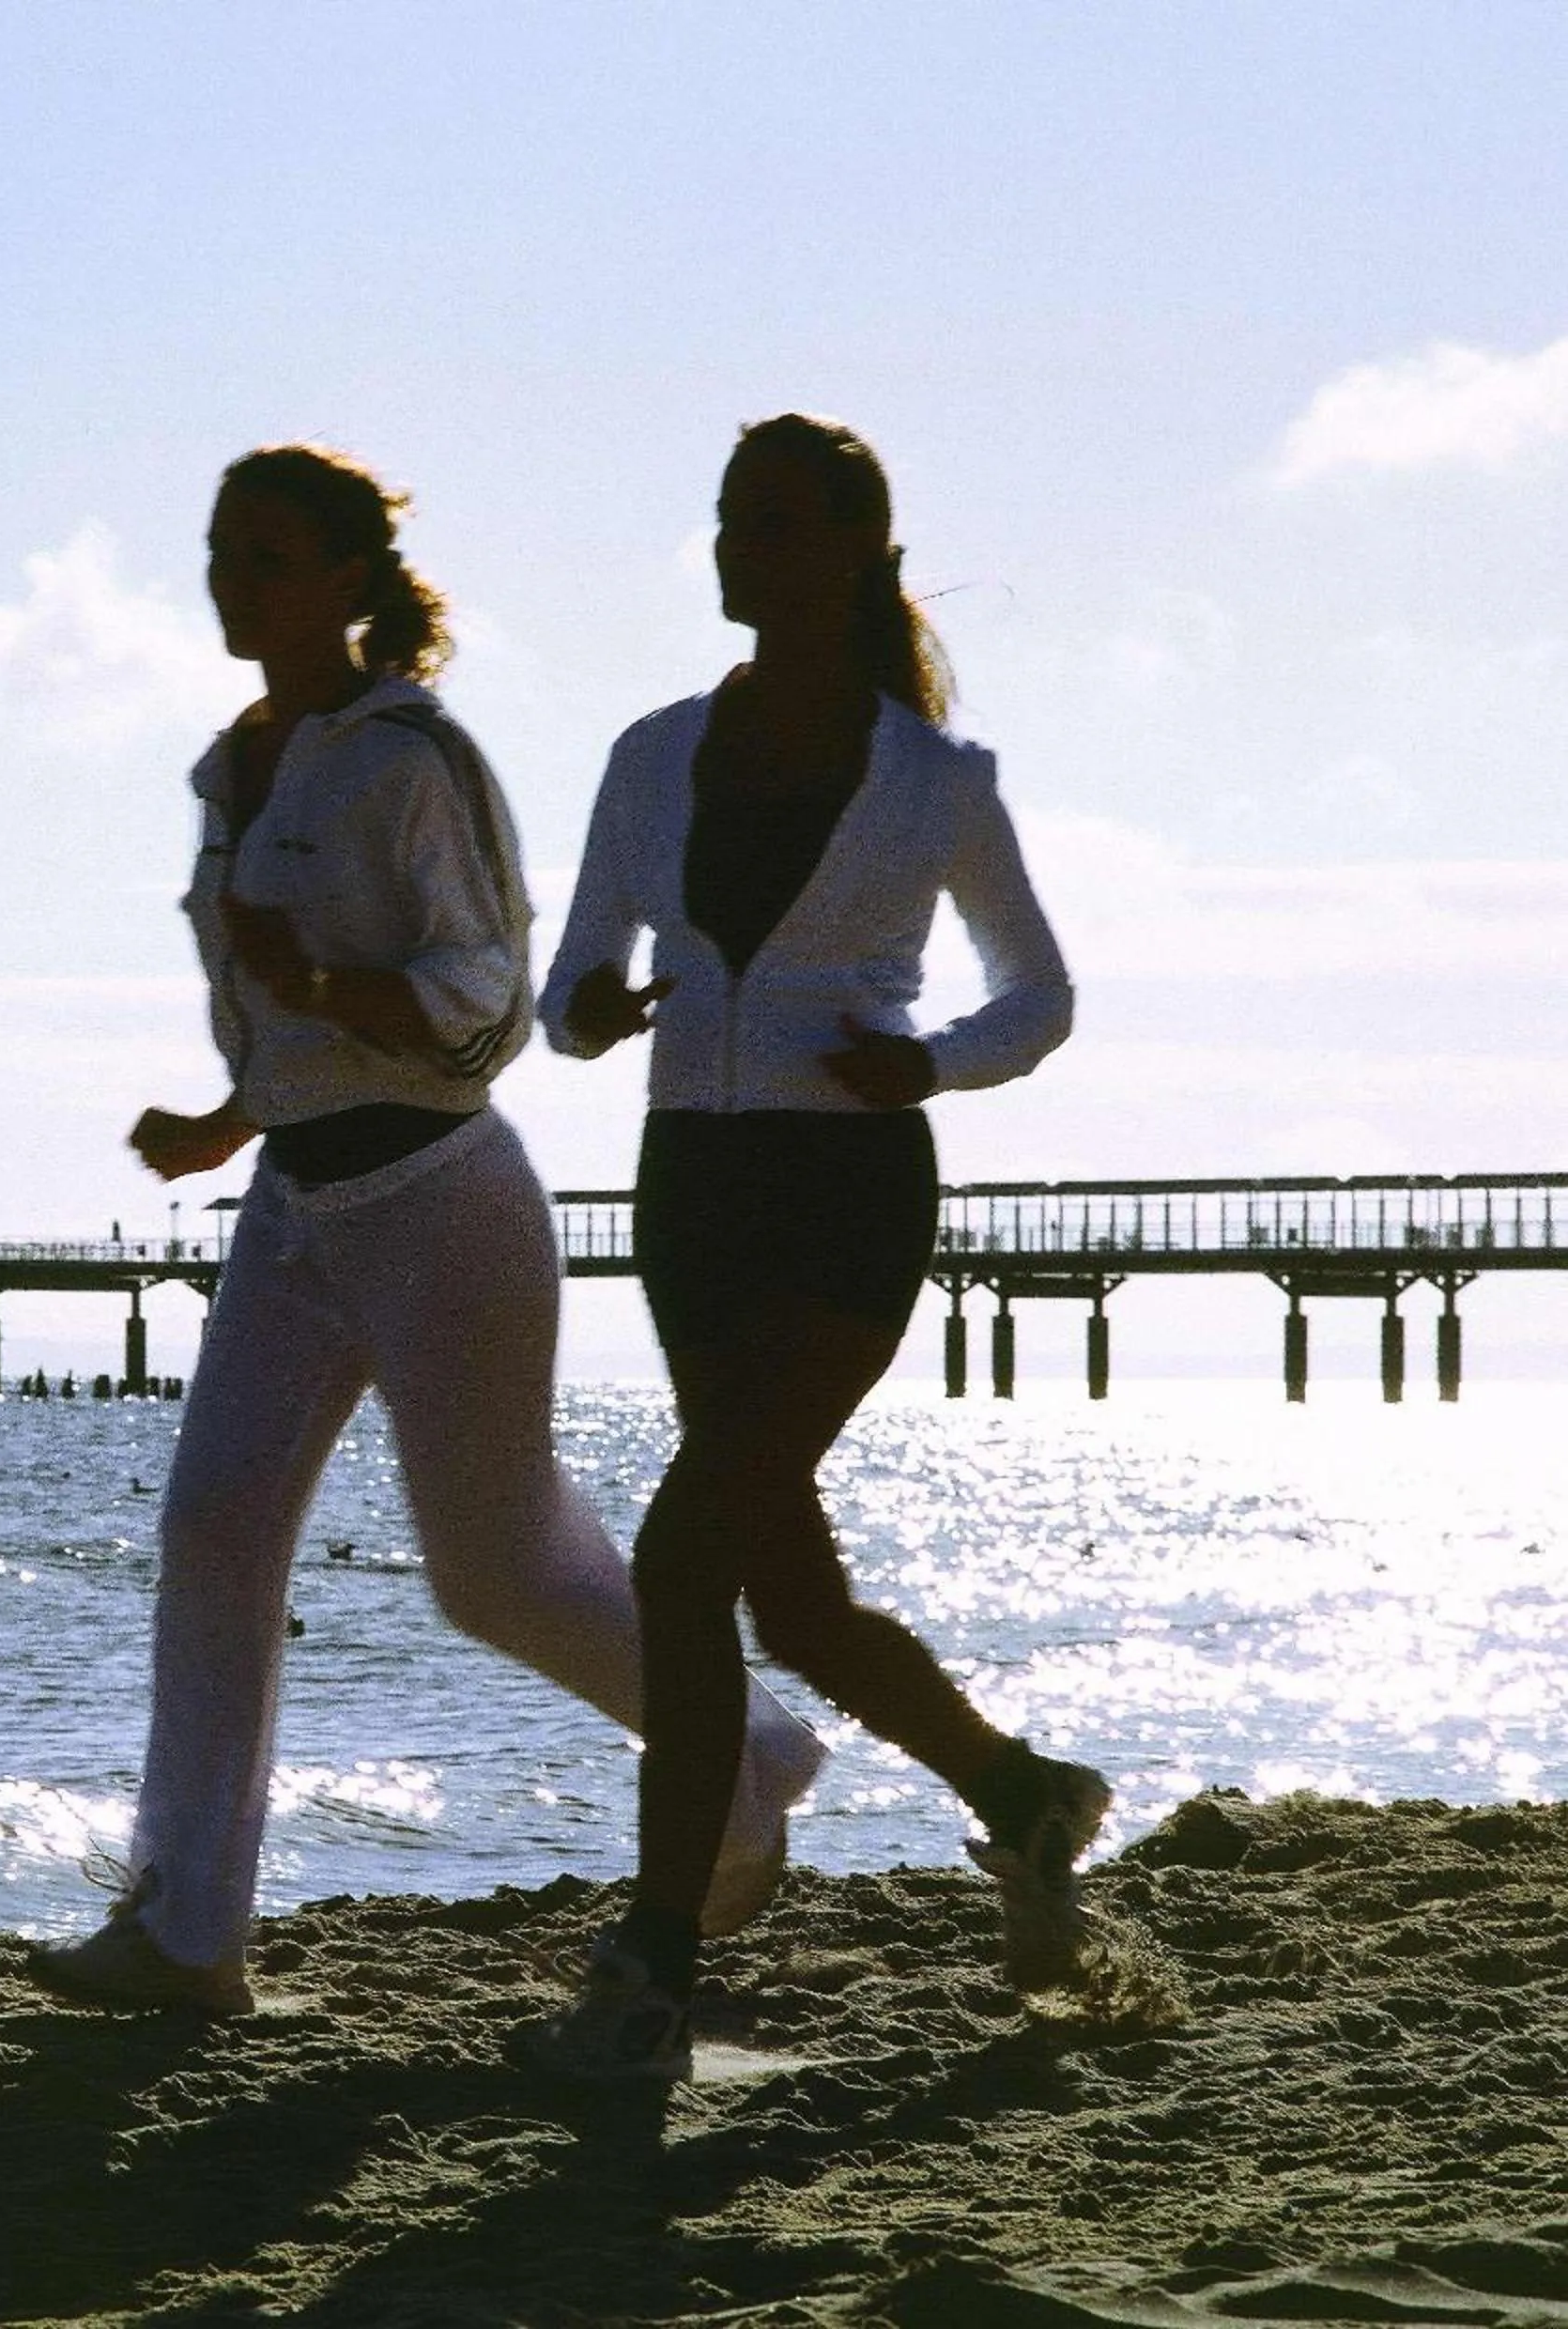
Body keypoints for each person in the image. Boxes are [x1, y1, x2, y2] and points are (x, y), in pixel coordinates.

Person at [27, 444, 829, 2017]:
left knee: (497, 1576)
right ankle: (188, 1931)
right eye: (217, 553)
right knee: (214, 1528)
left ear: (348, 578)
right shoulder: (233, 765)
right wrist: (236, 1111)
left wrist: (314, 992)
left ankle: (747, 1750)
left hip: (440, 1204)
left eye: (265, 557)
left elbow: (480, 1015)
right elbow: (297, 1021)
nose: (230, 584)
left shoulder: (409, 759)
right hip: (295, 1202)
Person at [525, 414, 1100, 2083]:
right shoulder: (648, 754)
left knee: (682, 1559)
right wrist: (590, 1011)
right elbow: (573, 987)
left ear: (853, 549)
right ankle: (1022, 1794)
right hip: (689, 1189)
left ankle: (650, 1965)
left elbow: (1039, 995)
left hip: (848, 1191)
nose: (733, 549)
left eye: (769, 524)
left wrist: (926, 1061)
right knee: (788, 1592)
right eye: (724, 520)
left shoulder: (937, 782)